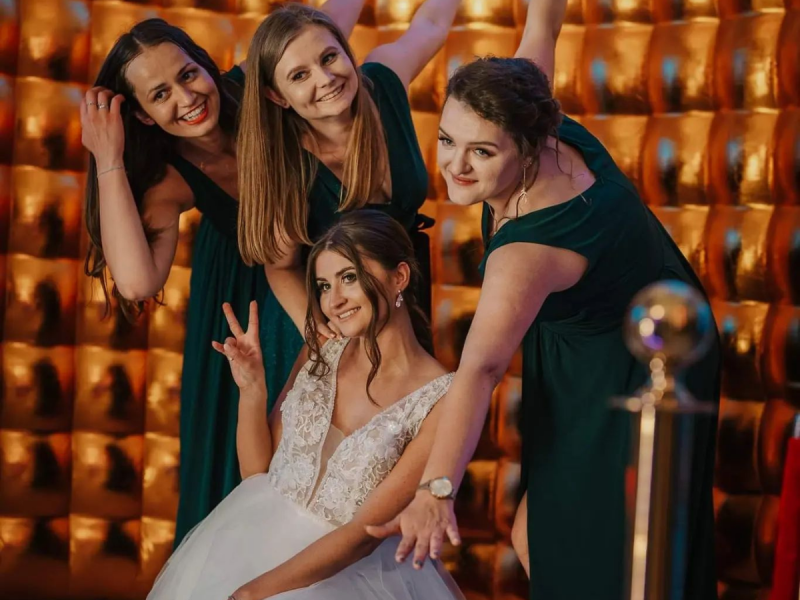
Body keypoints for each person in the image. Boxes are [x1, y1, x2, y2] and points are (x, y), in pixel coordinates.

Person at [367, 1, 721, 598]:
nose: (455, 166)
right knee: (543, 536)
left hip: (646, 356)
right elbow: (543, 23)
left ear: (529, 149)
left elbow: (480, 370)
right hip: (613, 327)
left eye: (482, 152)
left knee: (593, 548)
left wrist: (435, 490)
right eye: (448, 140)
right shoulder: (527, 103)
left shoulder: (524, 257)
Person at [79, 1, 365, 546]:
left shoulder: (257, 83)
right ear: (143, 115)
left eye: (188, 75)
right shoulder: (170, 179)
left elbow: (327, 22)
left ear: (207, 67)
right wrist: (108, 156)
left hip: (334, 271)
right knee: (264, 463)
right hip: (255, 301)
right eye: (160, 94)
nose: (186, 98)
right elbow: (137, 283)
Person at [146, 210, 461, 600]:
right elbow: (257, 474)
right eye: (324, 285)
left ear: (399, 276)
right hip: (248, 544)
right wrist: (252, 389)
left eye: (349, 277)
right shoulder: (321, 348)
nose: (334, 301)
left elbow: (364, 535)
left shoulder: (442, 397)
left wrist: (253, 593)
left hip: (342, 577)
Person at [236, 0, 458, 353]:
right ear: (276, 96)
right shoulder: (285, 163)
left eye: (329, 57)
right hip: (331, 314)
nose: (325, 79)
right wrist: (321, 335)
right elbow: (281, 268)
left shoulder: (383, 79)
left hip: (402, 290)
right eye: (299, 75)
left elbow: (431, 25)